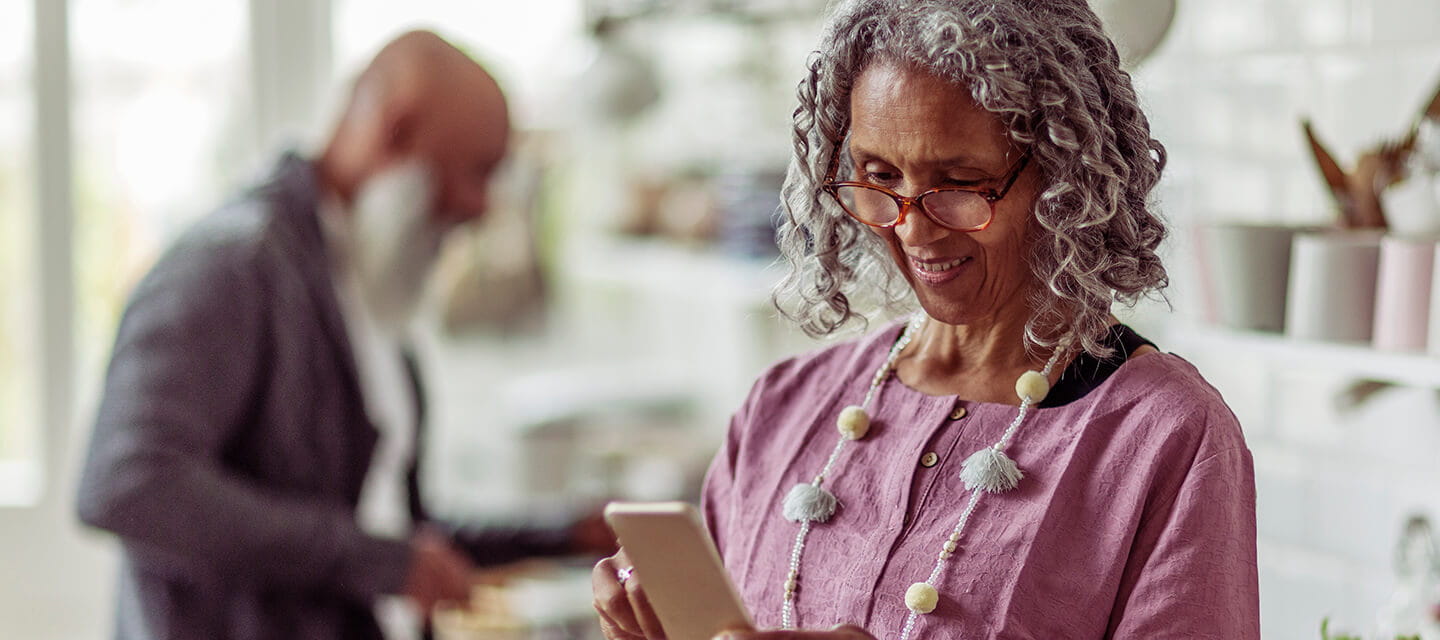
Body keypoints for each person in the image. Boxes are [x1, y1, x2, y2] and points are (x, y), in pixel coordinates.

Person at [592, 1, 1259, 638]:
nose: (912, 228)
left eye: (959, 182)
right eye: (878, 175)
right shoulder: (785, 405)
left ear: (1066, 174)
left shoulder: (1165, 435)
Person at [77, 30, 606, 640]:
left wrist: (565, 535)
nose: (480, 206)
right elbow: (130, 483)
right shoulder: (232, 268)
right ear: (396, 132)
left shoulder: (371, 295)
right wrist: (378, 562)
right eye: (474, 172)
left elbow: (387, 530)